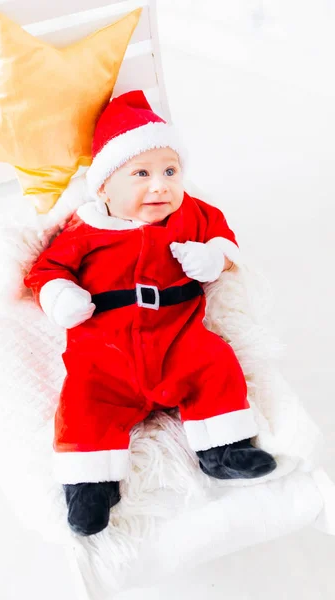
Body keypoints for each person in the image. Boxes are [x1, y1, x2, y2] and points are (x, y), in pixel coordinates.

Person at [23, 90, 277, 537]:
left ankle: (224, 448)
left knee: (214, 363)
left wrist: (215, 257)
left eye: (170, 171)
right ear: (103, 186)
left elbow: (225, 238)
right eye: (141, 173)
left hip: (177, 335)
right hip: (106, 351)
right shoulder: (86, 228)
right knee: (84, 401)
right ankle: (90, 485)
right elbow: (47, 269)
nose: (159, 185)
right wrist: (60, 294)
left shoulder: (193, 215)